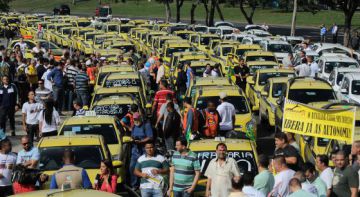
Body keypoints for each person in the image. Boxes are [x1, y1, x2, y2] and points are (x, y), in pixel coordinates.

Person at [129, 112, 153, 188]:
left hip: (144, 151)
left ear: (140, 118)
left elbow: (150, 137)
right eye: (134, 119)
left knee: (144, 168)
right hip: (135, 150)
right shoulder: (133, 126)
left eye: (137, 119)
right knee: (132, 167)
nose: (136, 120)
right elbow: (132, 136)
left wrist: (141, 141)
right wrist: (132, 139)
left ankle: (144, 184)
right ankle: (134, 185)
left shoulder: (146, 125)